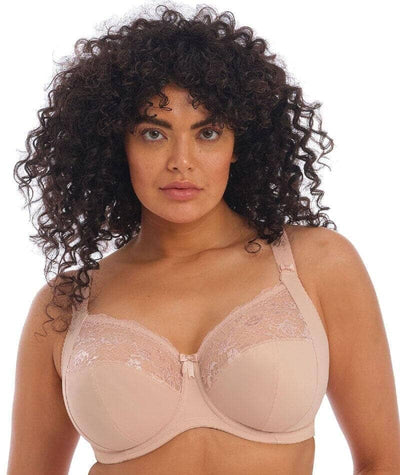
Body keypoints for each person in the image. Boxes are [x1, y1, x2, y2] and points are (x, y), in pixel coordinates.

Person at [8, 4, 400, 475]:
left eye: (208, 133)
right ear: (116, 144)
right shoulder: (65, 306)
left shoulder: (315, 264)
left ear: (239, 144)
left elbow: (384, 460)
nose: (182, 161)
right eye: (153, 134)